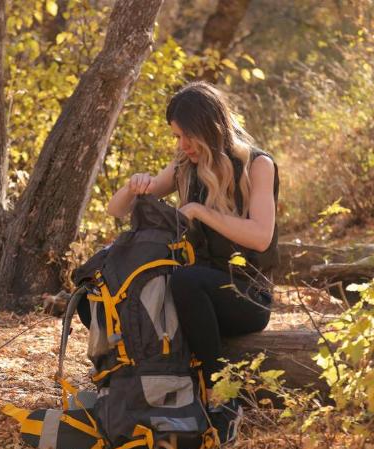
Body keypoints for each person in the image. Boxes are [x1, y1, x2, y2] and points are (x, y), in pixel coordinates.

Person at [106, 81, 280, 402]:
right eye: (177, 137)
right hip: (197, 295)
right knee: (126, 283)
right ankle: (129, 386)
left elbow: (260, 236)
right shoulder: (185, 166)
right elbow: (116, 210)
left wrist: (200, 211)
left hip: (247, 297)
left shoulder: (257, 165)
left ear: (209, 128)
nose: (182, 144)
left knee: (186, 280)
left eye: (188, 135)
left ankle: (215, 391)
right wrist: (134, 186)